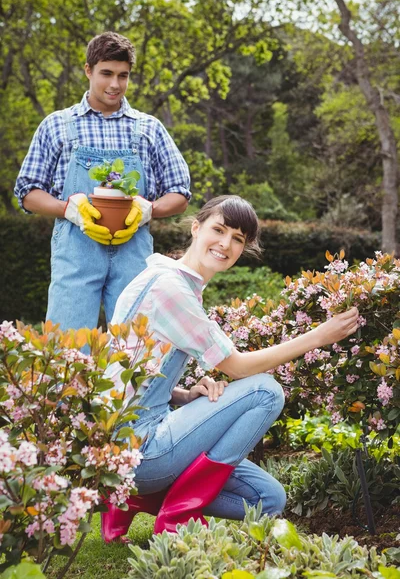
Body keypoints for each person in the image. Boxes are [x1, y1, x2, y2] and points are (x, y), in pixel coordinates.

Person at [101, 195, 359, 541]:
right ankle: (178, 514)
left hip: (135, 440)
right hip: (138, 450)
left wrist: (182, 394)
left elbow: (129, 374)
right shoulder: (170, 288)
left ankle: (135, 498)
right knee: (265, 392)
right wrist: (317, 336)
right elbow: (237, 368)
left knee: (268, 500)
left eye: (238, 238)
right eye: (219, 230)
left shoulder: (172, 281)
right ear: (196, 228)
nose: (226, 243)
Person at [14, 32, 190, 331]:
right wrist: (68, 208)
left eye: (123, 76)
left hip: (132, 252)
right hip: (76, 252)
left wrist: (149, 209)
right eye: (106, 73)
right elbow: (27, 192)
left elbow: (180, 192)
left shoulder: (149, 128)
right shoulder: (57, 125)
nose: (115, 84)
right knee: (65, 348)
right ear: (88, 70)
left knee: (136, 349)